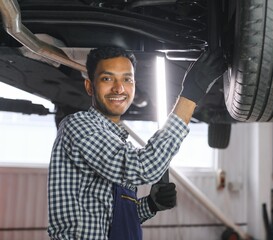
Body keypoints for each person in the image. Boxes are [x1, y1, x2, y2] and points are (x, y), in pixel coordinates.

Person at [47, 46, 225, 240]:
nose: (119, 88)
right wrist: (192, 93)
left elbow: (112, 220)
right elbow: (144, 168)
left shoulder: (118, 143)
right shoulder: (79, 126)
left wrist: (150, 205)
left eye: (127, 79)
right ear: (90, 86)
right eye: (107, 78)